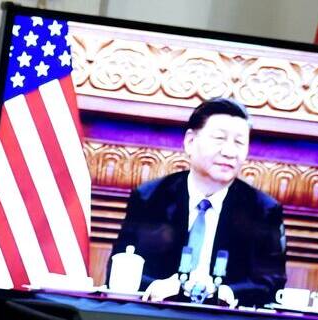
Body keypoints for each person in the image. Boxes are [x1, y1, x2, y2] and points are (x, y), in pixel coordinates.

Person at [109, 97, 286, 308]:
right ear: (190, 142)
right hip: (157, 317)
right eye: (219, 139)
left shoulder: (263, 210)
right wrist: (158, 287)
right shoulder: (151, 198)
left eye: (239, 142)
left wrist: (227, 292)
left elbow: (272, 283)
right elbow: (119, 269)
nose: (229, 152)